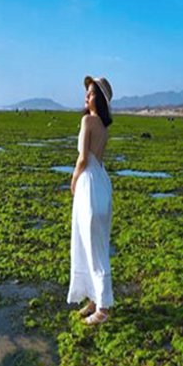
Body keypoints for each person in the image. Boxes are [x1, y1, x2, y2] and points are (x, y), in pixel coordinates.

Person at [67, 75, 114, 325]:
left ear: (101, 100)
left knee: (93, 246)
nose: (87, 96)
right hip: (101, 185)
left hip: (89, 185)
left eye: (92, 92)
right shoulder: (104, 128)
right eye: (86, 92)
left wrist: (73, 180)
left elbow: (83, 158)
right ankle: (95, 300)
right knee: (92, 242)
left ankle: (103, 309)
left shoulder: (87, 121)